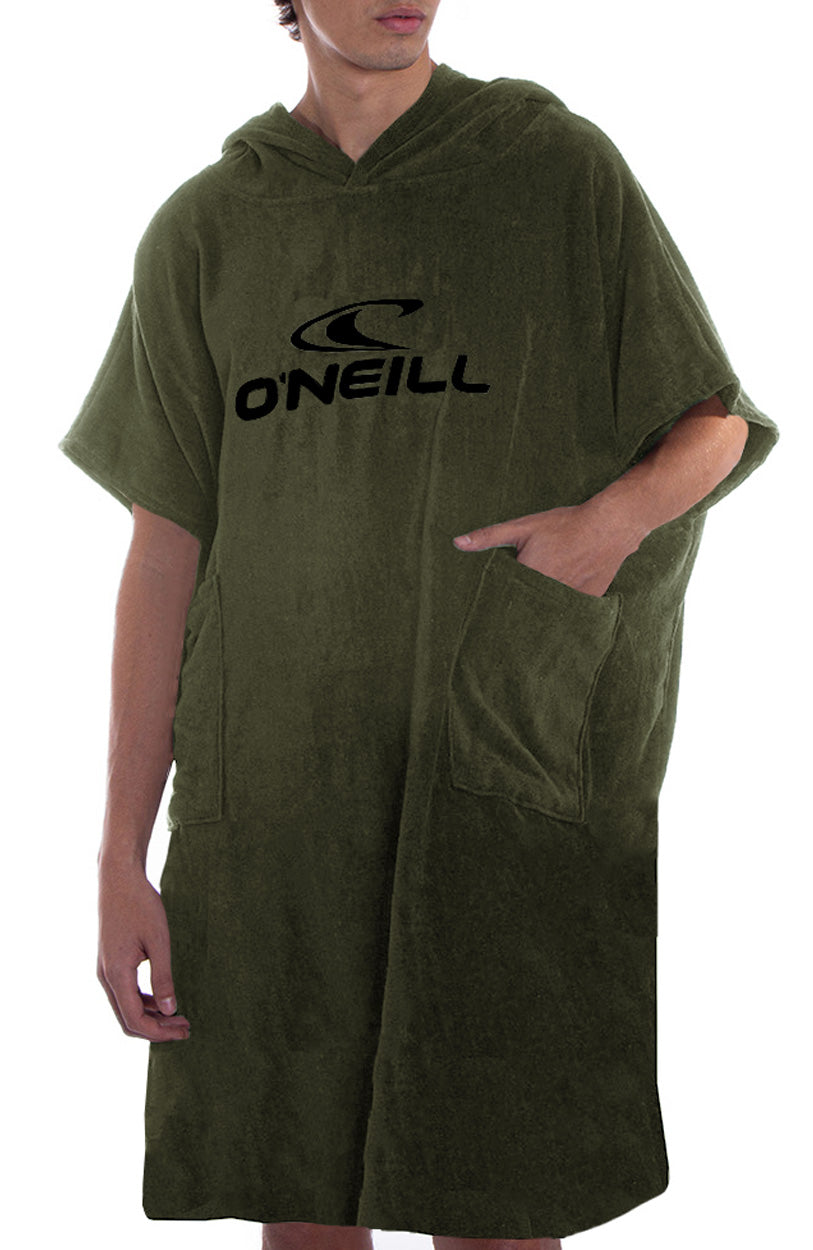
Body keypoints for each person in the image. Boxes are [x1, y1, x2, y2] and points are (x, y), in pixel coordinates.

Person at [57, 2, 779, 1248]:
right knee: (301, 1201)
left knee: (498, 1195)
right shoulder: (208, 231)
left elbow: (712, 424)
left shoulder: (551, 171)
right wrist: (120, 853)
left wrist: (602, 529)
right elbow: (164, 550)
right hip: (277, 802)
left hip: (494, 775)